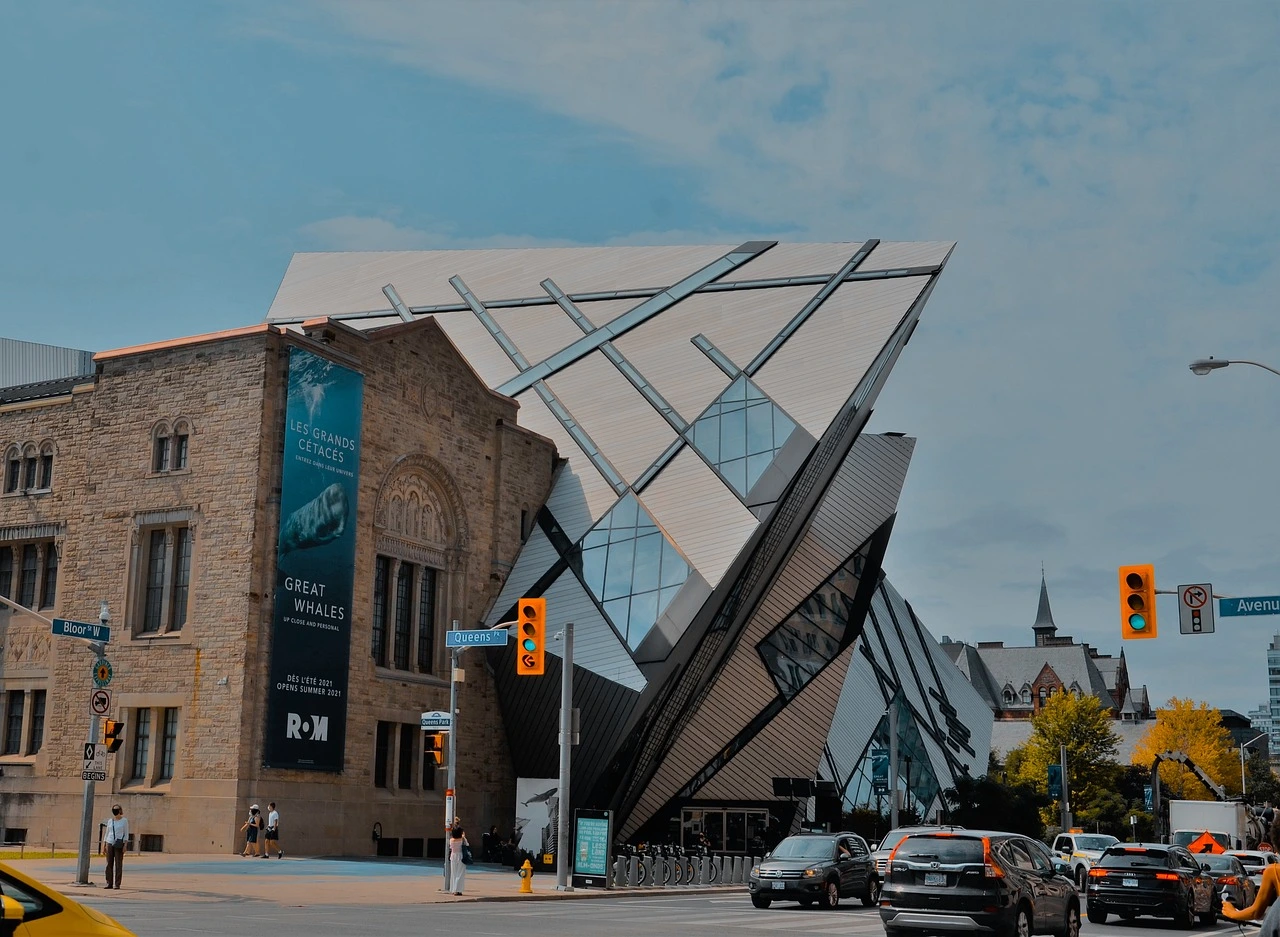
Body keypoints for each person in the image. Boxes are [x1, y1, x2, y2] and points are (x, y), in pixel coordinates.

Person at [102, 804, 128, 889]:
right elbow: (107, 833)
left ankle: (117, 884)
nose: (115, 811)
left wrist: (125, 845)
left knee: (118, 864)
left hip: (119, 843)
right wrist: (104, 844)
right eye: (113, 809)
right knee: (109, 864)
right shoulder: (110, 821)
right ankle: (109, 883)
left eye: (116, 809)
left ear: (120, 810)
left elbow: (126, 834)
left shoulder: (124, 821)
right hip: (110, 842)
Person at [448, 819, 469, 895]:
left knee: (453, 873)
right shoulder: (462, 840)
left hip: (453, 856)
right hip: (461, 856)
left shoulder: (451, 840)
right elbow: (467, 845)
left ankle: (453, 889)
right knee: (460, 873)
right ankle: (458, 889)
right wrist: (463, 835)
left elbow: (450, 847)